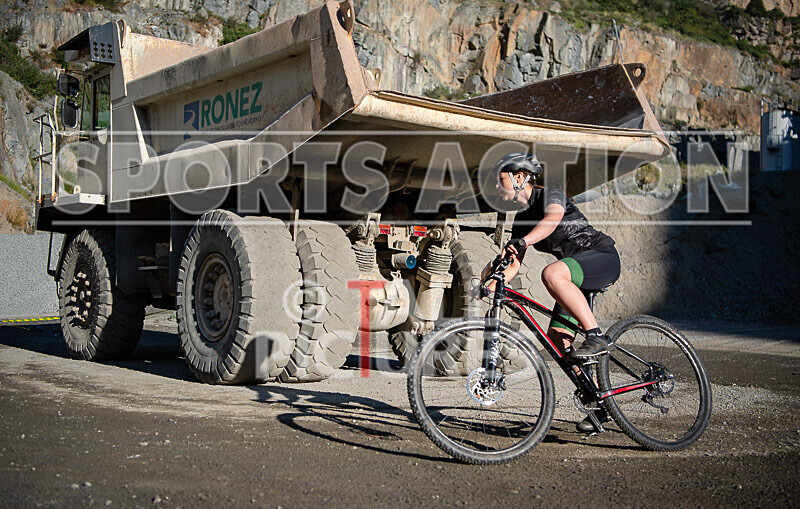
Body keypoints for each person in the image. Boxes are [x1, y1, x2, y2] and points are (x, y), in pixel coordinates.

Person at [488, 152, 621, 431]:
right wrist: (489, 280)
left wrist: (523, 242)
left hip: (600, 258)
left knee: (551, 272)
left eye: (500, 180)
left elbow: (551, 221)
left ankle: (596, 336)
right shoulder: (521, 219)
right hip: (573, 277)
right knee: (558, 343)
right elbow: (511, 266)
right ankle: (599, 402)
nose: (496, 187)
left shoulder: (552, 193)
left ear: (519, 177)